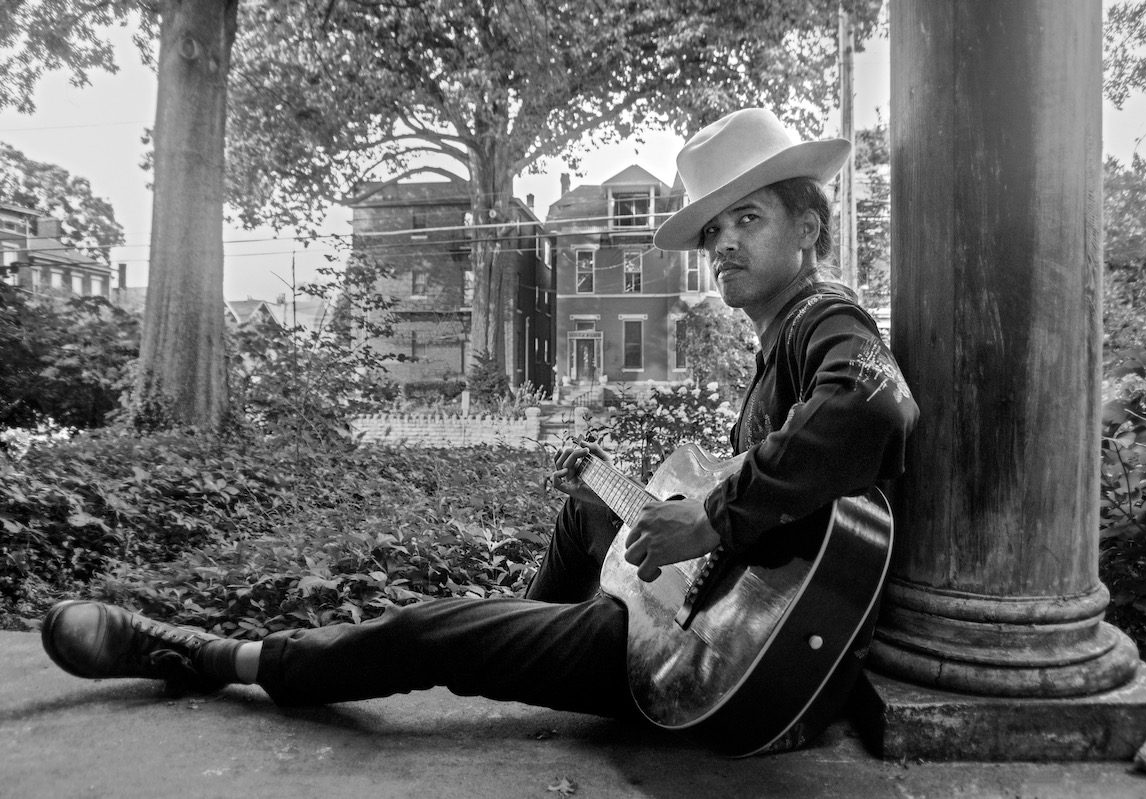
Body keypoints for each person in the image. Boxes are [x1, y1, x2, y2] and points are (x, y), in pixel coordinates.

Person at [40, 108, 919, 744]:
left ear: (809, 226)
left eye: (749, 218)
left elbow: (871, 402)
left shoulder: (822, 319)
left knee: (429, 630)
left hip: (735, 660)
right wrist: (685, 505)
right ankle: (520, 633)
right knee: (589, 508)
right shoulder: (784, 341)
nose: (723, 243)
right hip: (740, 619)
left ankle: (201, 653)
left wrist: (710, 515)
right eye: (714, 227)